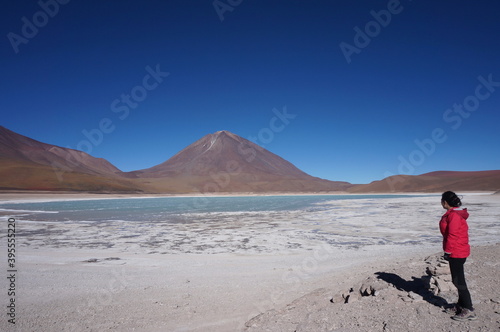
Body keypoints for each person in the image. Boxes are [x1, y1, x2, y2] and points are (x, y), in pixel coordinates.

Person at [439, 191, 477, 321]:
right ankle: (461, 305)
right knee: (457, 279)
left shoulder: (454, 215)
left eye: (442, 201)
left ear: (445, 202)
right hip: (458, 250)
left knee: (458, 280)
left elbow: (453, 235)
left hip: (456, 251)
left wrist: (448, 251)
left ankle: (468, 308)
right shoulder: (454, 214)